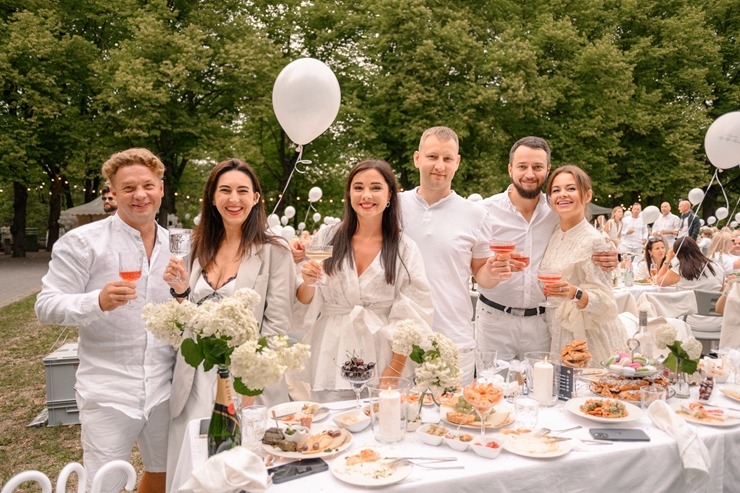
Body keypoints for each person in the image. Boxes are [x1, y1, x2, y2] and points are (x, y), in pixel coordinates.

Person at [35, 148, 174, 493]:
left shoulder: (178, 244)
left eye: (147, 185)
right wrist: (95, 301)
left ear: (160, 188)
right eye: (128, 188)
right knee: (105, 485)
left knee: (165, 472)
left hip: (165, 387)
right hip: (109, 390)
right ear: (112, 193)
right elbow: (46, 305)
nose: (140, 195)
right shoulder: (82, 242)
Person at [164, 158, 295, 493]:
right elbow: (186, 318)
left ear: (256, 198)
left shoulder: (273, 252)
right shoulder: (197, 246)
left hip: (248, 381)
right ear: (212, 198)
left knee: (244, 472)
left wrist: (248, 382)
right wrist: (179, 291)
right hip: (195, 377)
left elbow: (277, 327)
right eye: (225, 190)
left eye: (242, 191)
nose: (233, 199)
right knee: (197, 468)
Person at [298, 159, 433, 402]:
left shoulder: (404, 249)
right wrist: (307, 278)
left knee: (380, 427)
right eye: (358, 187)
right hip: (331, 348)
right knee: (332, 429)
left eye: (376, 187)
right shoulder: (327, 236)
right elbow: (305, 298)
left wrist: (394, 370)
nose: (366, 195)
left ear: (390, 194)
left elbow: (414, 314)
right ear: (349, 193)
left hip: (382, 352)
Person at [476, 137, 619, 362]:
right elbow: (467, 260)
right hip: (494, 320)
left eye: (537, 167)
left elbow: (580, 233)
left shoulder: (555, 210)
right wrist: (491, 268)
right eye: (522, 166)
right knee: (492, 389)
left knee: (541, 391)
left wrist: (610, 252)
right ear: (510, 169)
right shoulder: (484, 210)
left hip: (542, 324)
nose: (530, 174)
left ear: (547, 169)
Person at [399, 126, 498, 383]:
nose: (439, 165)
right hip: (399, 339)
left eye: (447, 158)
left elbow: (482, 276)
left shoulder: (476, 214)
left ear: (457, 163)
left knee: (453, 419)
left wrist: (495, 271)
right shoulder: (392, 207)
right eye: (432, 157)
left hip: (453, 340)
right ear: (417, 158)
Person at [537, 165, 626, 365]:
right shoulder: (554, 232)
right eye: (556, 190)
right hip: (556, 330)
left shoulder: (594, 241)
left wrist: (575, 293)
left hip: (586, 338)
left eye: (571, 188)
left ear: (587, 195)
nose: (562, 195)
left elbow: (607, 303)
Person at [656, 236, 723, 291]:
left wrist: (667, 259)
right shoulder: (717, 266)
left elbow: (659, 282)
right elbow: (721, 288)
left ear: (678, 253)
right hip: (711, 306)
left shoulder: (680, 269)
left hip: (687, 306)